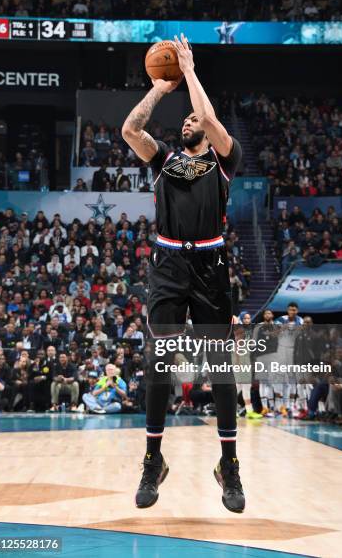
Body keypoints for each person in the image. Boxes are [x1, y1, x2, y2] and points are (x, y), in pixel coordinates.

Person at [122, 34, 244, 512]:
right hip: (169, 264)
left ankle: (228, 466)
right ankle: (153, 460)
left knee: (220, 370)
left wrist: (190, 71)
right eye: (187, 119)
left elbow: (212, 119)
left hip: (211, 266)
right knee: (160, 362)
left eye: (196, 118)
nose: (192, 121)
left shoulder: (224, 160)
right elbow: (132, 130)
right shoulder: (165, 161)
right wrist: (159, 88)